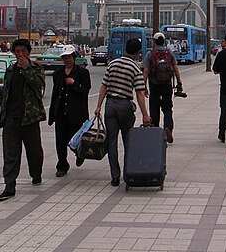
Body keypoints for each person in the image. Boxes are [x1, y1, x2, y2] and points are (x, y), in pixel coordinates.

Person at [94, 37, 151, 187]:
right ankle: (127, 174)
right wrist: (145, 114)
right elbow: (139, 93)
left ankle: (114, 176)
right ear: (139, 52)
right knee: (128, 142)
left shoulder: (113, 64)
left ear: (125, 48)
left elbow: (104, 86)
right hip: (125, 105)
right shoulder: (134, 68)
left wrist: (99, 106)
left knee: (111, 141)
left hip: (110, 105)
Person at [0, 38, 46, 201]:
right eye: (17, 52)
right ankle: (9, 186)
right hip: (11, 118)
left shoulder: (36, 68)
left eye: (23, 51)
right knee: (11, 153)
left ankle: (36, 174)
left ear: (29, 52)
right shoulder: (10, 70)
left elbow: (38, 86)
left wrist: (26, 69)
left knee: (34, 151)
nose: (20, 55)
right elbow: (6, 93)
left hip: (30, 117)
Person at [48, 45, 91, 177]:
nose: (67, 60)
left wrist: (74, 84)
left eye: (69, 57)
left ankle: (80, 154)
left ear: (74, 58)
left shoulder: (82, 73)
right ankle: (62, 165)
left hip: (77, 113)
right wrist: (51, 115)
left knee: (75, 140)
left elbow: (85, 90)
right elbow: (55, 94)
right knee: (60, 141)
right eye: (65, 58)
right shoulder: (57, 74)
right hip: (61, 113)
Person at [142, 32, 183, 143]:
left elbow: (145, 71)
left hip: (154, 86)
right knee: (167, 109)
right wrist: (179, 82)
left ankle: (155, 131)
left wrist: (143, 86)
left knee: (154, 109)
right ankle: (168, 128)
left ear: (154, 41)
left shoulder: (150, 54)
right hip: (167, 85)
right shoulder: (169, 53)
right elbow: (175, 69)